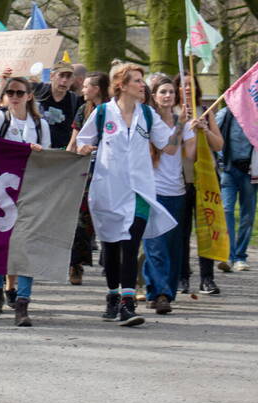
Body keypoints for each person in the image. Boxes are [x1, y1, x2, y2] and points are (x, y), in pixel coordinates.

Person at [76, 63, 185, 327]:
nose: (142, 85)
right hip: (107, 190)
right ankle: (113, 296)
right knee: (112, 246)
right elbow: (82, 140)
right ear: (122, 85)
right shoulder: (103, 113)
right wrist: (85, 148)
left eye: (142, 80)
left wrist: (182, 125)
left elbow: (168, 148)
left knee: (130, 242)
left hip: (140, 192)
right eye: (136, 80)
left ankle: (127, 303)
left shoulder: (147, 114)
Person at [0, 69, 49, 326]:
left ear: (29, 96)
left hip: (29, 191)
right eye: (11, 92)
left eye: (19, 92)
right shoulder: (1, 118)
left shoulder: (40, 125)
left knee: (26, 247)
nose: (14, 97)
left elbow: (47, 159)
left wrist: (38, 153)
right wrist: (1, 85)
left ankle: (23, 302)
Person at [141, 77, 196, 315]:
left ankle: (160, 291)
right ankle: (161, 293)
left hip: (177, 190)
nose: (168, 96)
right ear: (154, 95)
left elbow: (189, 155)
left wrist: (194, 129)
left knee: (173, 246)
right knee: (155, 244)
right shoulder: (149, 120)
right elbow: (168, 147)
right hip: (153, 190)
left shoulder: (182, 121)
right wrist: (181, 126)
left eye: (171, 92)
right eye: (163, 92)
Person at [175, 73, 224, 295]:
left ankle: (207, 278)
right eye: (182, 85)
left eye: (190, 85)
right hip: (179, 179)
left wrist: (204, 129)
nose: (186, 89)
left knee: (207, 227)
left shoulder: (206, 111)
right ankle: (182, 277)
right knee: (181, 231)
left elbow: (219, 145)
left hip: (205, 179)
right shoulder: (172, 113)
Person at [65, 71, 110, 285]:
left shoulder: (114, 111)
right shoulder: (83, 110)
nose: (83, 90)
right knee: (80, 220)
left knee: (109, 216)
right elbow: (74, 141)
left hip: (110, 172)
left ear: (98, 89)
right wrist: (65, 163)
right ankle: (76, 264)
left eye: (87, 86)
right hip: (85, 171)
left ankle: (110, 261)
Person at [216, 105, 258, 272]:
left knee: (247, 215)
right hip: (229, 170)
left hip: (250, 170)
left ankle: (241, 257)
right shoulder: (225, 114)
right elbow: (213, 134)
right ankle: (228, 255)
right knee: (226, 210)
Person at [34, 61, 80, 150]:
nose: (64, 80)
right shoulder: (38, 91)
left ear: (72, 80)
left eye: (68, 77)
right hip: (37, 148)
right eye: (61, 75)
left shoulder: (75, 100)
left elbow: (78, 127)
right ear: (51, 76)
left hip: (61, 152)